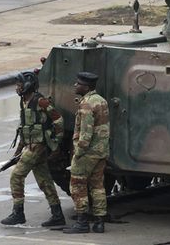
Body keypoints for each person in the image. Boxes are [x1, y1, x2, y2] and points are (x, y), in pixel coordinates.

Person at [1, 71, 66, 227]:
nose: (17, 88)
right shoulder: (24, 101)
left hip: (38, 146)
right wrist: (19, 149)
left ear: (28, 85)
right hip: (31, 145)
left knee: (16, 176)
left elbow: (58, 120)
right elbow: (25, 127)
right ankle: (58, 215)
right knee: (44, 181)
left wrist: (56, 144)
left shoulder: (40, 101)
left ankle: (18, 213)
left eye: (19, 85)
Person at [63, 72, 110, 234]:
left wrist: (78, 152)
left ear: (86, 87)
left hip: (87, 153)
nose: (76, 86)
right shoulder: (101, 101)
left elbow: (86, 132)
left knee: (78, 185)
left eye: (78, 84)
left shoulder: (87, 104)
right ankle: (99, 222)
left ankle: (82, 221)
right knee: (97, 186)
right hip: (101, 151)